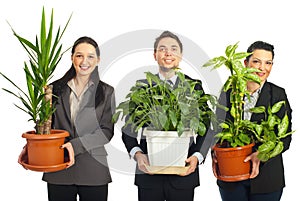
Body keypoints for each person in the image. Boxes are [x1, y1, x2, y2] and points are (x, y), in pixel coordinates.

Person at [18, 36, 115, 201]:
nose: (85, 61)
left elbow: (106, 132)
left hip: (93, 171)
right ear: (72, 58)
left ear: (98, 60)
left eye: (90, 56)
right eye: (79, 55)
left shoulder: (107, 92)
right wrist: (30, 149)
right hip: (58, 168)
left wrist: (74, 145)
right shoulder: (53, 89)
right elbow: (45, 126)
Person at [121, 30, 212, 201]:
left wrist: (196, 157)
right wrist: (138, 155)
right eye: (162, 49)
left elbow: (206, 127)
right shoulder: (143, 86)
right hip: (149, 173)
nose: (168, 53)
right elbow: (128, 130)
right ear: (155, 55)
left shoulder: (193, 86)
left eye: (173, 49)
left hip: (183, 172)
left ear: (180, 55)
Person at [215, 41, 293, 201]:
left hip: (267, 180)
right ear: (246, 63)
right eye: (256, 61)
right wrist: (215, 155)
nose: (262, 68)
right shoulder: (230, 90)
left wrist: (262, 155)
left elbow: (285, 138)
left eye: (268, 63)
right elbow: (217, 128)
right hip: (232, 177)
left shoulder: (277, 94)